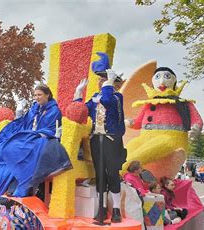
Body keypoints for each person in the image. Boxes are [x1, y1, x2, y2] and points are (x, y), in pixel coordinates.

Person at [0, 84, 71, 198]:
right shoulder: (34, 108)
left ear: (47, 95)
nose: (37, 97)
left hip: (43, 138)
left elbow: (51, 129)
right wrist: (19, 114)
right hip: (29, 136)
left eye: (39, 95)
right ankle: (9, 186)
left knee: (20, 150)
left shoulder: (54, 110)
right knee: (5, 147)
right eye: (35, 95)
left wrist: (35, 133)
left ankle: (19, 187)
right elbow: (25, 123)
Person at [74, 52, 127, 223]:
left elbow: (107, 101)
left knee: (112, 174)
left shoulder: (116, 97)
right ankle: (101, 209)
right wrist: (78, 94)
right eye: (100, 79)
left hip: (111, 140)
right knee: (100, 175)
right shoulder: (95, 97)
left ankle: (116, 210)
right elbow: (80, 113)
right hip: (97, 140)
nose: (101, 81)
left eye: (105, 78)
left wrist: (109, 85)